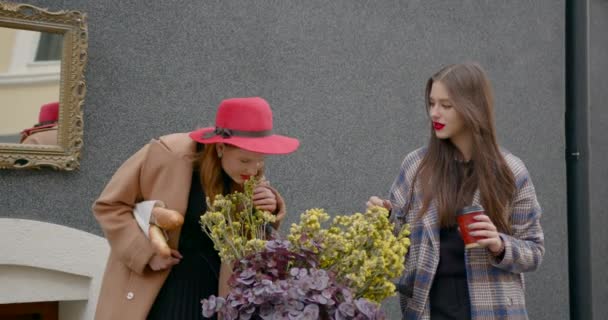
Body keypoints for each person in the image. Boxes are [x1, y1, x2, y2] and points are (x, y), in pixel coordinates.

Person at [93, 97, 299, 320]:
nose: (253, 168)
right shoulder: (167, 154)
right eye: (244, 161)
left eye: (260, 161)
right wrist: (145, 253)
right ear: (220, 147)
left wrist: (269, 206)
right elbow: (110, 205)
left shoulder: (246, 174)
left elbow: (250, 238)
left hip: (218, 289)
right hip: (164, 282)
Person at [367, 63, 544, 320]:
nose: (434, 113)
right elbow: (395, 247)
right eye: (431, 103)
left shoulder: (510, 171)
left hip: (495, 311)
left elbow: (534, 252)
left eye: (446, 105)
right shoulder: (417, 166)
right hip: (428, 311)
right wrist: (383, 219)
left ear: (473, 109)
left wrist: (499, 245)